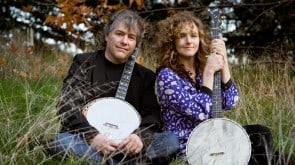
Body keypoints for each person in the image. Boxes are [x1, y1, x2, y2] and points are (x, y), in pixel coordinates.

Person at [45, 9, 179, 165]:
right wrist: (92, 136)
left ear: (136, 44)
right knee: (62, 142)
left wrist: (139, 137)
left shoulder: (145, 76)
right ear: (107, 35)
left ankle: (109, 162)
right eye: (119, 34)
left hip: (128, 147)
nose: (124, 41)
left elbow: (152, 114)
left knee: (171, 141)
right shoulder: (85, 62)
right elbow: (67, 104)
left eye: (131, 37)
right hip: (89, 142)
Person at [154, 11, 275, 164]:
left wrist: (224, 63)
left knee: (260, 133)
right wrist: (209, 73)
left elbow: (231, 101)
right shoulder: (166, 76)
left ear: (200, 39)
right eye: (182, 36)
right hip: (188, 144)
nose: (188, 41)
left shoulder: (203, 70)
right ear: (172, 41)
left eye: (193, 35)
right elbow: (198, 113)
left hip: (216, 139)